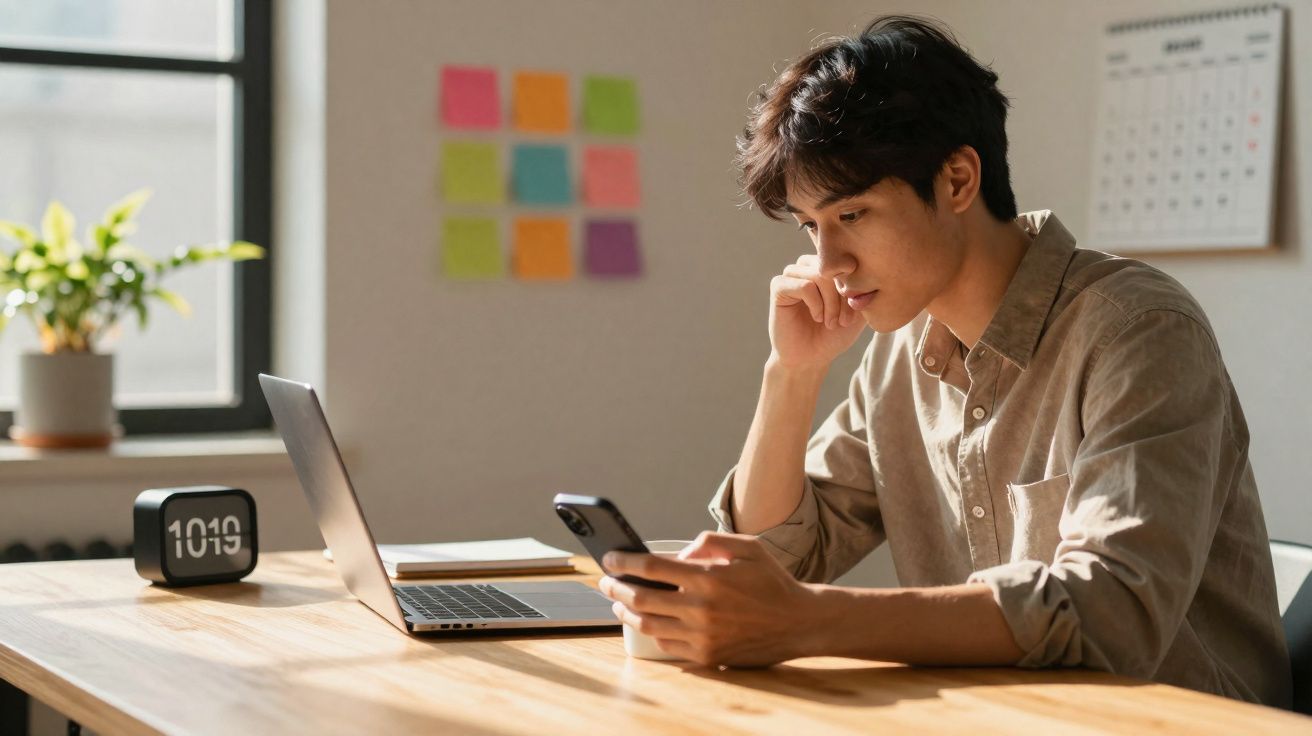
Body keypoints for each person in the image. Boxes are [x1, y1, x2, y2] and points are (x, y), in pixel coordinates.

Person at [596, 15, 1291, 707]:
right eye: (812, 227)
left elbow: (1113, 611)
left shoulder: (1136, 330)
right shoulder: (897, 355)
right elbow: (771, 561)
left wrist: (806, 620)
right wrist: (792, 374)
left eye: (853, 215)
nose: (828, 264)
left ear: (957, 180)